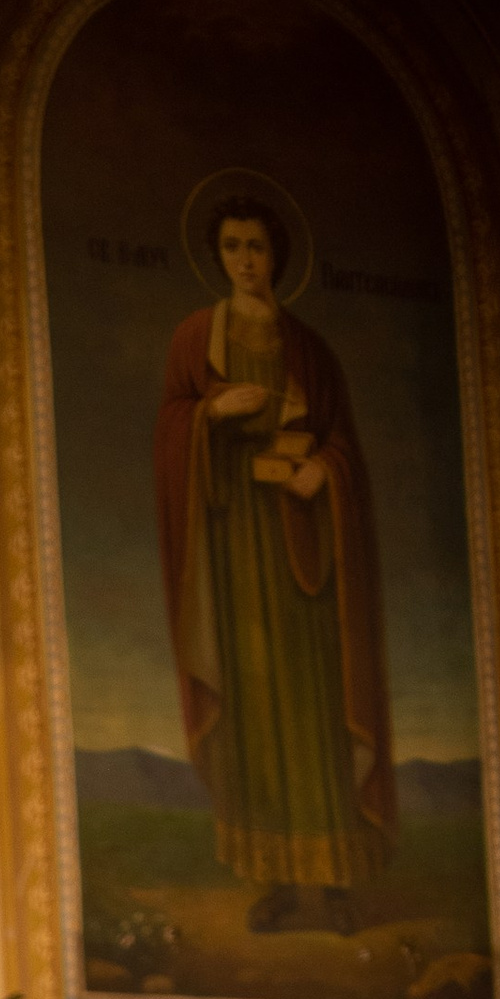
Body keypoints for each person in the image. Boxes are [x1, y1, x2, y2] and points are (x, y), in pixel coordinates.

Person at [156, 199, 394, 935]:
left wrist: (324, 472)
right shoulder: (199, 338)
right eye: (231, 246)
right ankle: (279, 883)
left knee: (312, 707)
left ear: (277, 254)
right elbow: (172, 426)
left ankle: (332, 880)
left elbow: (343, 444)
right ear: (218, 255)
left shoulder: (311, 350)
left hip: (303, 559)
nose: (245, 259)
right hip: (235, 552)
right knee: (257, 707)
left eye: (256, 246)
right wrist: (213, 416)